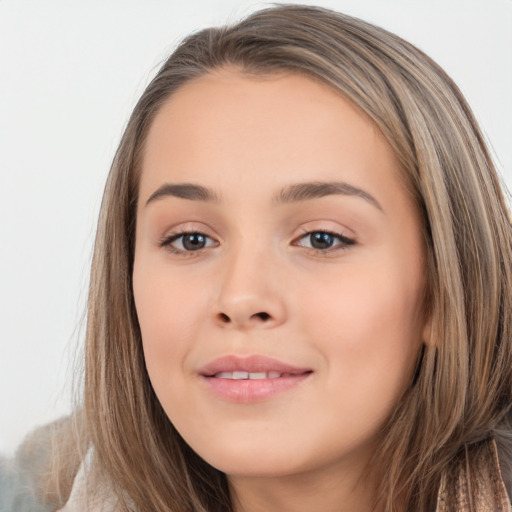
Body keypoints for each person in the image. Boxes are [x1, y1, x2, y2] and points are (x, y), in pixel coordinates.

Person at [1, 4, 511, 512]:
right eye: (191, 240)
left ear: (447, 291)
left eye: (321, 239)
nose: (240, 297)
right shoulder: (31, 491)